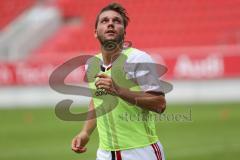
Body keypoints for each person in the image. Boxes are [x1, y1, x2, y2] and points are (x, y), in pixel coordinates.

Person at [71, 3, 166, 160]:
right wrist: (85, 132)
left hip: (140, 152)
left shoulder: (139, 59)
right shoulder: (92, 63)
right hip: (105, 154)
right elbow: (97, 100)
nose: (110, 24)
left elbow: (159, 104)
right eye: (104, 21)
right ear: (95, 32)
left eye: (116, 21)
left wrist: (119, 90)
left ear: (124, 31)